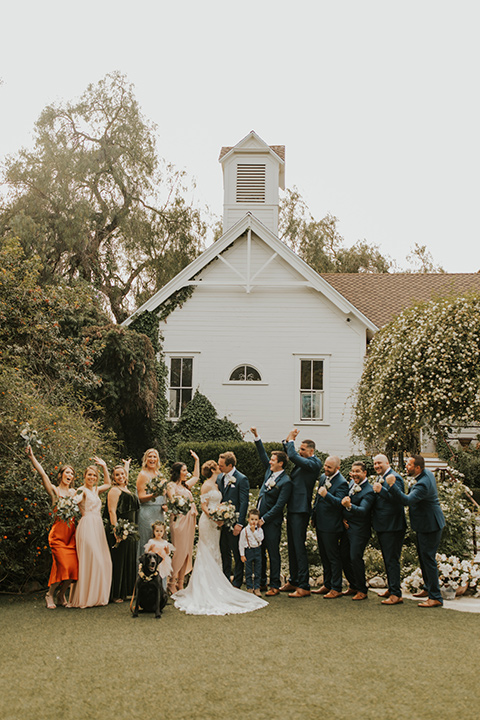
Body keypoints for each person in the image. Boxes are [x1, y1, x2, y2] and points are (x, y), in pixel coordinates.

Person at [173, 461, 267, 615]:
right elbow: (203, 506)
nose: (219, 467)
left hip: (217, 525)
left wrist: (223, 512)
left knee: (215, 550)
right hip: (208, 522)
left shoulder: (218, 483)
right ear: (212, 469)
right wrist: (214, 517)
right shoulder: (206, 486)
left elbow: (219, 502)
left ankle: (216, 585)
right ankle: (204, 586)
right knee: (206, 551)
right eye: (217, 465)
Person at [386, 454, 445, 608]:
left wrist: (392, 486)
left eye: (409, 464)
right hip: (425, 524)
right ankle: (427, 588)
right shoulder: (426, 473)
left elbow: (407, 501)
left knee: (428, 560)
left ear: (418, 467)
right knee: (424, 558)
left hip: (430, 525)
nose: (406, 466)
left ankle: (436, 597)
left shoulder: (423, 483)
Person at [25, 446, 78, 609]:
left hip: (72, 534)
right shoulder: (55, 491)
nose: (69, 475)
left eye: (72, 473)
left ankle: (62, 594)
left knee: (73, 566)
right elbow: (43, 474)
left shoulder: (74, 493)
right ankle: (49, 594)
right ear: (60, 475)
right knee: (63, 564)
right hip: (58, 535)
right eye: (66, 472)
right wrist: (32, 457)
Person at [281, 429, 322, 597]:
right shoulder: (302, 462)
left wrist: (291, 441)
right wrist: (287, 442)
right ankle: (294, 580)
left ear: (311, 451)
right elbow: (291, 455)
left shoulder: (314, 463)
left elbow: (293, 457)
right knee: (292, 546)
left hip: (301, 510)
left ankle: (304, 586)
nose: (300, 451)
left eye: (303, 449)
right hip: (292, 508)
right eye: (299, 448)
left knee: (299, 547)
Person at [251, 428, 292, 596]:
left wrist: (264, 519)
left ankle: (275, 584)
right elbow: (263, 456)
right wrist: (256, 437)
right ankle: (261, 583)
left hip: (271, 523)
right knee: (259, 552)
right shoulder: (270, 472)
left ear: (281, 463)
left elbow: (279, 506)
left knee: (273, 553)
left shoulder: (286, 481)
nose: (270, 462)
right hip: (258, 522)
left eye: (273, 460)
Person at [68, 459, 112, 608]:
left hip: (98, 527)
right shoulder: (81, 490)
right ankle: (85, 597)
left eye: (94, 475)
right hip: (86, 526)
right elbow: (76, 500)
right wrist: (73, 501)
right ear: (84, 476)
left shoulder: (96, 490)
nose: (92, 477)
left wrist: (104, 466)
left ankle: (96, 596)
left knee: (104, 561)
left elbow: (108, 484)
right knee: (92, 559)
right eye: (89, 475)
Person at [311, 455, 349, 598]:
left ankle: (336, 587)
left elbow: (340, 504)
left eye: (329, 467)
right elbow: (317, 498)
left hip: (332, 526)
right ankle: (327, 584)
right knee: (324, 556)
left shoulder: (342, 483)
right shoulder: (323, 478)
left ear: (337, 468)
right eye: (325, 466)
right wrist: (313, 515)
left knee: (333, 557)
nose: (325, 469)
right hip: (320, 523)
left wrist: (327, 495)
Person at [372, 454, 406, 606]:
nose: (376, 466)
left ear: (387, 462)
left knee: (392, 560)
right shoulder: (382, 477)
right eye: (374, 463)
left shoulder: (395, 478)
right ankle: (392, 588)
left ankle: (396, 594)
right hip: (383, 525)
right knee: (388, 559)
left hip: (393, 526)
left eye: (379, 463)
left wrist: (381, 491)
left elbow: (399, 501)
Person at [103, 460, 139, 603]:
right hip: (119, 529)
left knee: (126, 560)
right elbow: (112, 511)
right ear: (113, 478)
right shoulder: (114, 490)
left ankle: (125, 592)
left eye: (122, 474)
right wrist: (116, 530)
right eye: (117, 475)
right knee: (118, 561)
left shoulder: (126, 489)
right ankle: (115, 593)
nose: (120, 476)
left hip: (129, 530)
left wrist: (127, 466)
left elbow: (125, 477)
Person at [166, 450, 200, 594]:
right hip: (179, 520)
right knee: (178, 551)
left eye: (187, 470)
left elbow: (197, 476)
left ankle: (180, 583)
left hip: (190, 520)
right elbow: (173, 500)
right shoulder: (171, 485)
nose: (186, 473)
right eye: (184, 470)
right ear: (178, 472)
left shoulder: (186, 486)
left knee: (186, 551)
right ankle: (171, 582)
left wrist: (197, 460)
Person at [341, 461, 375, 601]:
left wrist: (349, 507)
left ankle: (362, 589)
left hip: (360, 530)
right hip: (347, 527)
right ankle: (353, 585)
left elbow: (363, 511)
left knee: (355, 557)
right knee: (343, 556)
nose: (354, 474)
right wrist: (344, 517)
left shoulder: (369, 491)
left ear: (364, 473)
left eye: (358, 471)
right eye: (353, 471)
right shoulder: (351, 484)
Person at [216, 451, 249, 588]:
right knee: (224, 551)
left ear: (230, 465)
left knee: (237, 552)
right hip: (222, 522)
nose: (219, 467)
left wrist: (239, 524)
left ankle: (237, 582)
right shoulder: (219, 478)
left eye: (221, 465)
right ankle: (225, 579)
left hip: (235, 523)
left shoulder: (241, 479)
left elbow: (244, 503)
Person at [136, 448, 167, 560]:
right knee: (147, 543)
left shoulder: (160, 475)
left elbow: (164, 495)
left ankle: (159, 576)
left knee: (159, 543)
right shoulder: (143, 475)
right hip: (146, 513)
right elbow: (140, 498)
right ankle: (143, 574)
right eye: (150, 456)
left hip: (158, 513)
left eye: (154, 457)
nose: (152, 459)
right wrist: (153, 496)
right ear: (145, 459)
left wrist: (165, 505)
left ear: (157, 459)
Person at [239, 509, 264, 596]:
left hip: (257, 550)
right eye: (252, 519)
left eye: (256, 519)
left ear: (258, 520)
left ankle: (257, 588)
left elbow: (260, 539)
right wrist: (242, 555)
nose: (254, 521)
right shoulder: (244, 530)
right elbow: (241, 543)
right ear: (248, 519)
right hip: (248, 551)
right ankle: (249, 588)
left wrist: (254, 532)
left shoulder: (260, 530)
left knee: (258, 570)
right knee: (248, 571)